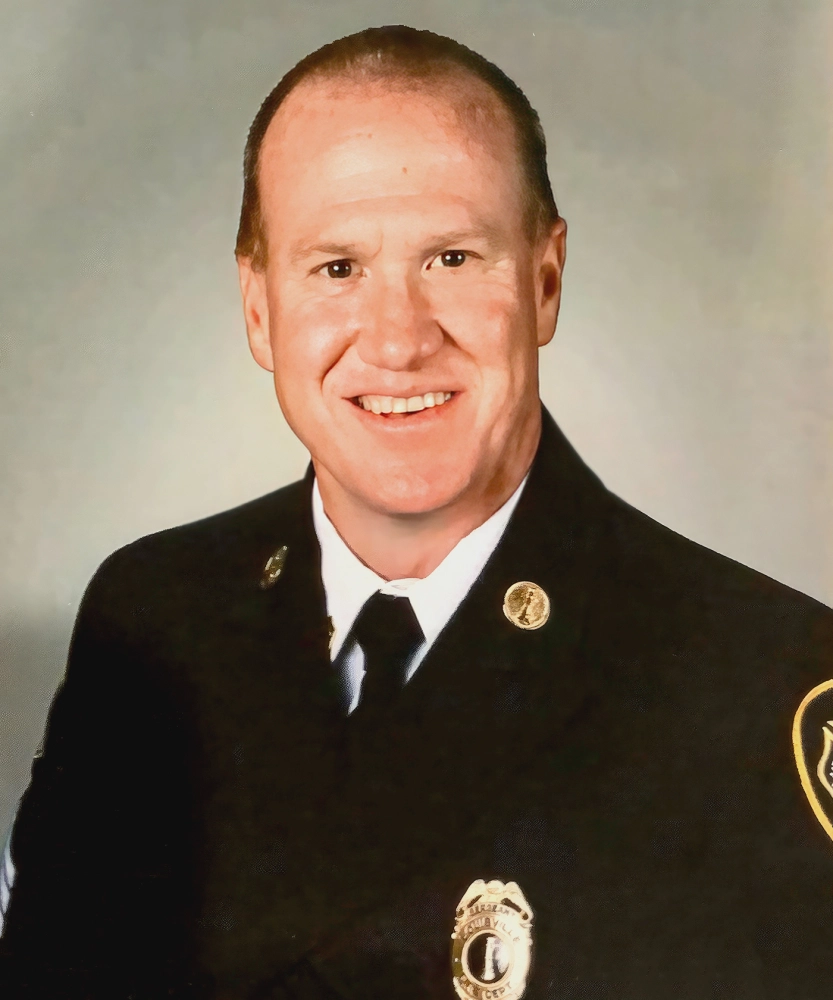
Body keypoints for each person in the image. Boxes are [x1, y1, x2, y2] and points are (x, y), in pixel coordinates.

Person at [1, 24, 832, 1000]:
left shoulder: (758, 681)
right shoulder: (153, 621)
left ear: (544, 281)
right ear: (259, 309)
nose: (396, 341)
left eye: (451, 257)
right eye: (336, 268)